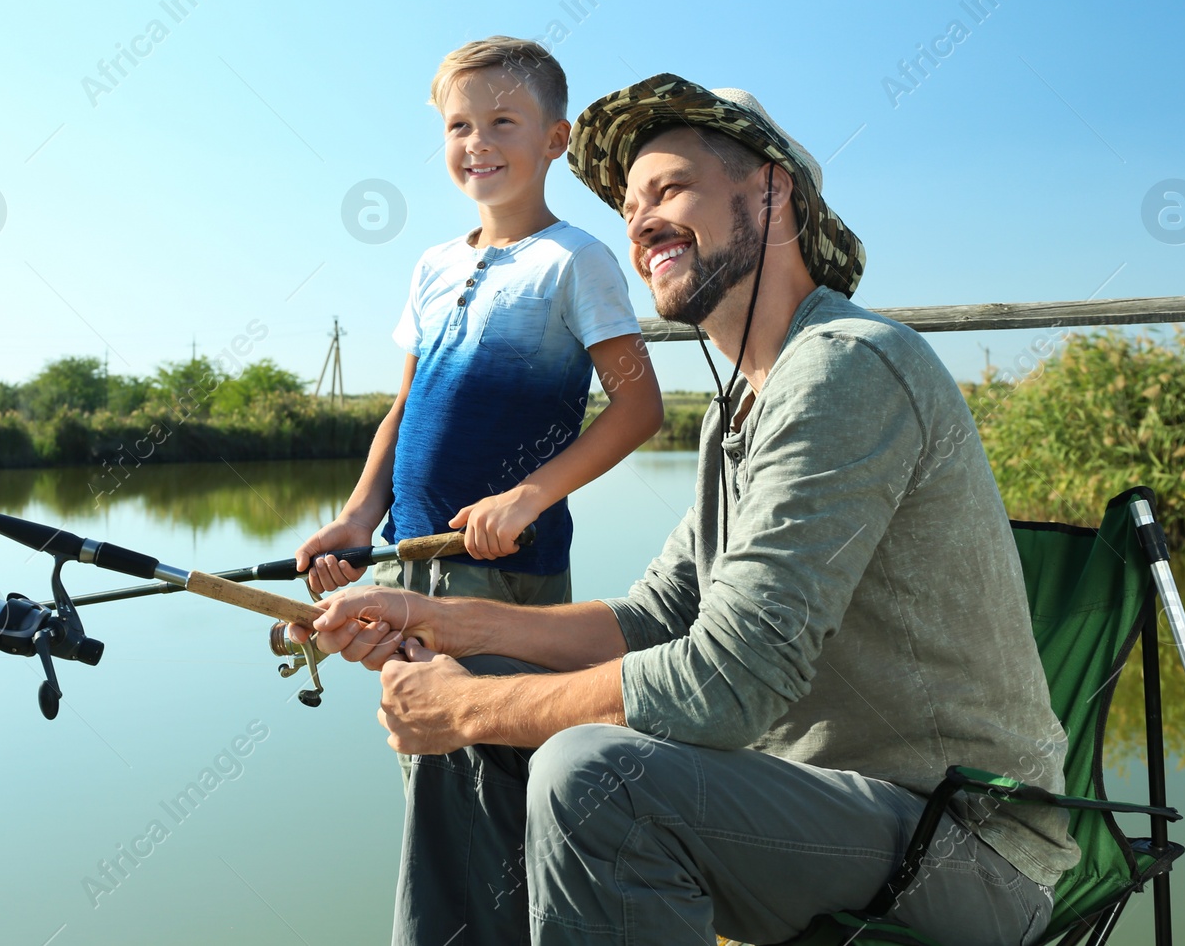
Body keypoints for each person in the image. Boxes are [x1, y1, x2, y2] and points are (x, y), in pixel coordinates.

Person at [297, 74, 1078, 946]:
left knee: (594, 775)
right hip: (823, 820)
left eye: (669, 189)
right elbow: (655, 617)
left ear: (773, 192)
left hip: (961, 850)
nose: (639, 222)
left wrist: (469, 709)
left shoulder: (847, 366)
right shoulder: (733, 417)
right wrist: (439, 619)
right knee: (499, 710)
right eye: (630, 207)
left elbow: (725, 684)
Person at [295, 38, 663, 608]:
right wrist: (359, 516)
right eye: (459, 125)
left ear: (554, 140)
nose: (477, 142)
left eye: (503, 121)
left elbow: (640, 409)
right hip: (405, 561)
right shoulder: (432, 264)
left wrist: (527, 498)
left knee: (495, 702)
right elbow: (405, 406)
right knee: (406, 701)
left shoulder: (576, 260)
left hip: (509, 573)